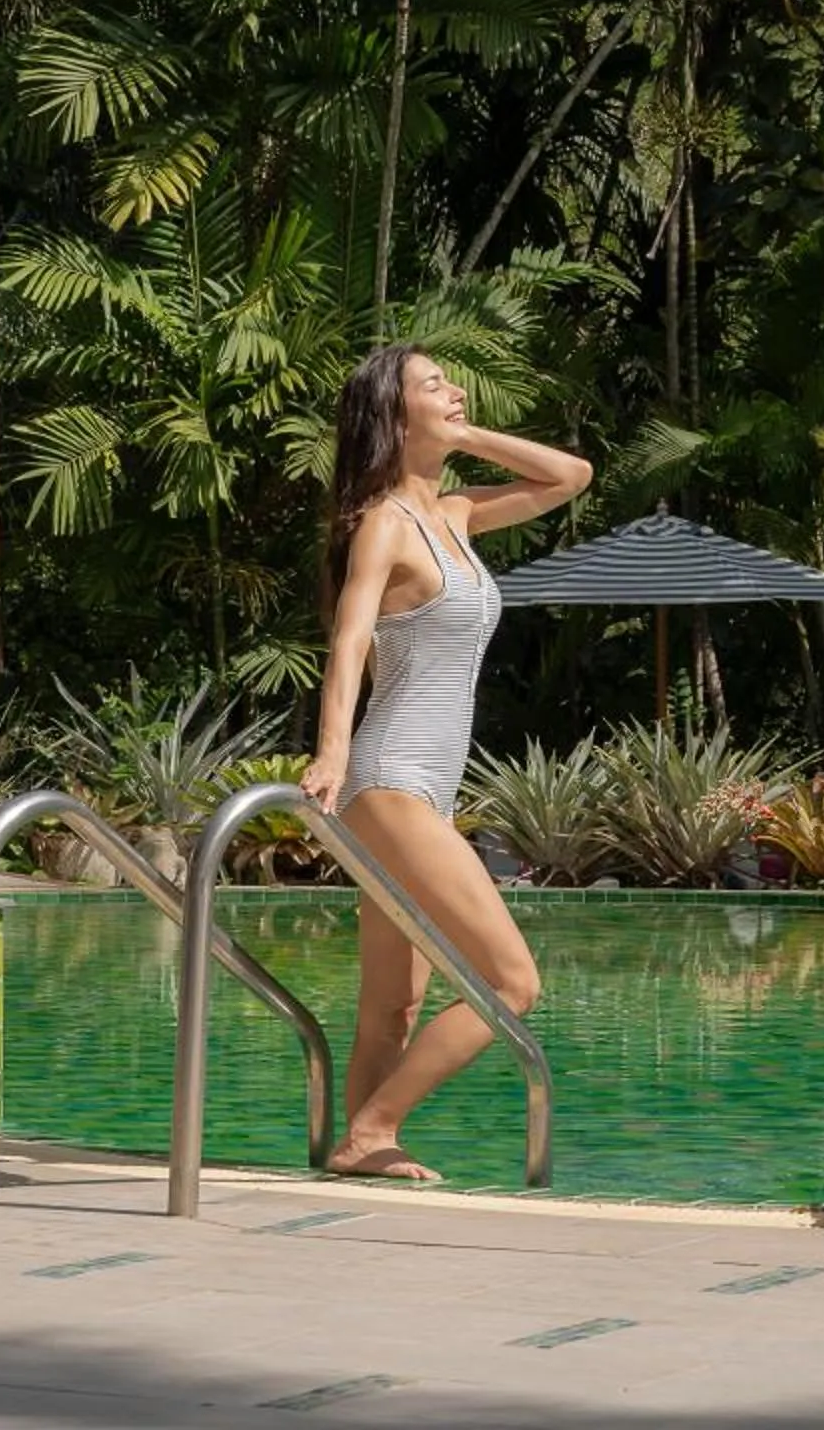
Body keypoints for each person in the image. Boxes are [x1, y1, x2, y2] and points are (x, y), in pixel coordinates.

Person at [306, 341, 592, 1181]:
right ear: (395, 417)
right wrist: (329, 750)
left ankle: (357, 1153)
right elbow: (350, 637)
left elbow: (569, 476)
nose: (456, 390)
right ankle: (372, 1129)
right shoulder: (384, 524)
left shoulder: (457, 514)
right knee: (510, 982)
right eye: (434, 385)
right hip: (388, 778)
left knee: (394, 1005)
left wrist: (466, 436)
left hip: (422, 787)